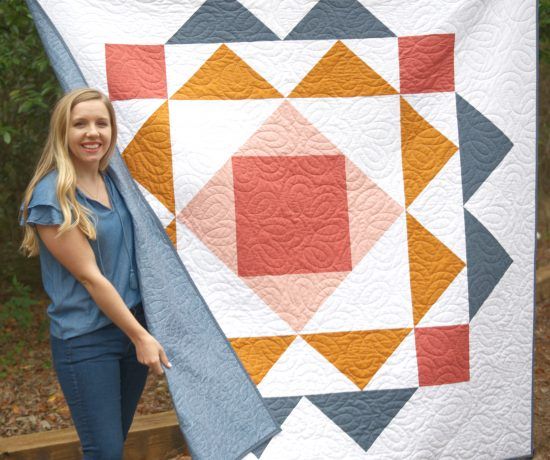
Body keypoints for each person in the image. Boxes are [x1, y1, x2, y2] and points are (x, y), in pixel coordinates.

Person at [19, 88, 171, 459]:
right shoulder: (52, 196)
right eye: (80, 124)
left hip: (129, 327)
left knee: (111, 446)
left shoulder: (116, 183)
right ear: (63, 132)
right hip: (87, 341)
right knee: (103, 451)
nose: (92, 133)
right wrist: (141, 338)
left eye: (101, 123)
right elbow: (91, 277)